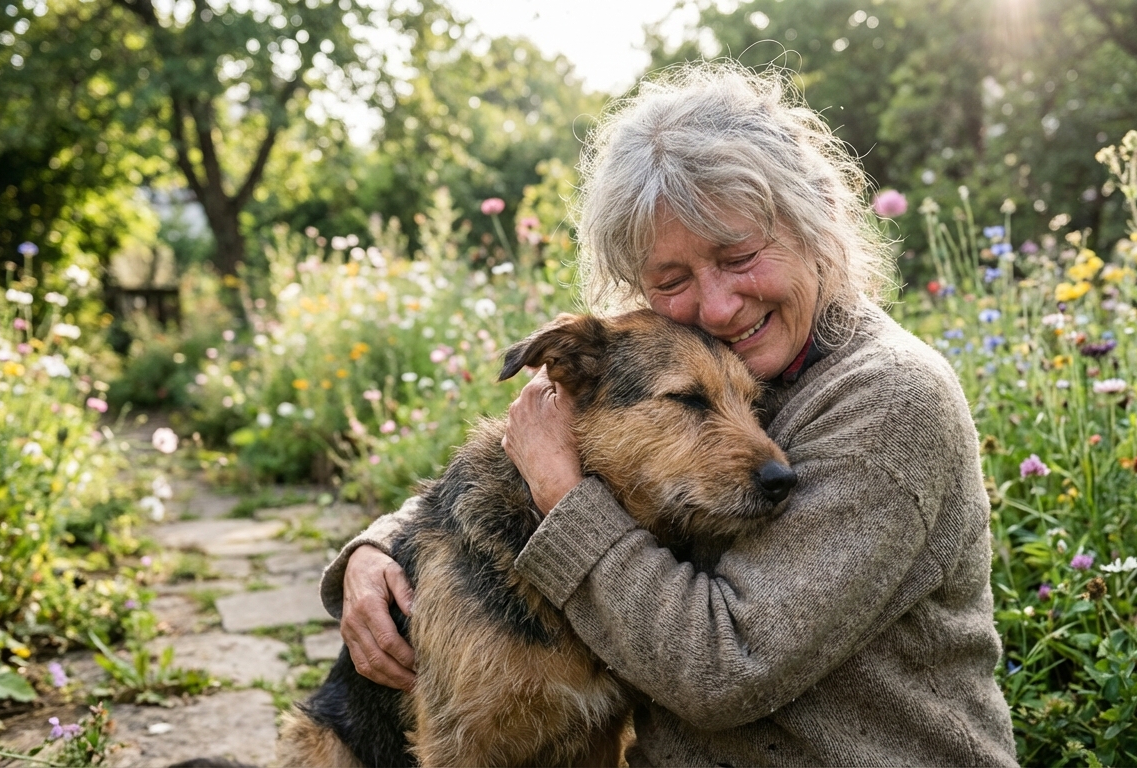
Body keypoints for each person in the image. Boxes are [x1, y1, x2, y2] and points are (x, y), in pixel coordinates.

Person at [319, 62, 1018, 766]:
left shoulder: (892, 398)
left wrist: (562, 499)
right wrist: (377, 550)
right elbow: (492, 484)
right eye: (672, 280)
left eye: (739, 255)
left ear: (817, 227)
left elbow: (726, 668)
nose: (715, 308)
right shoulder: (708, 359)